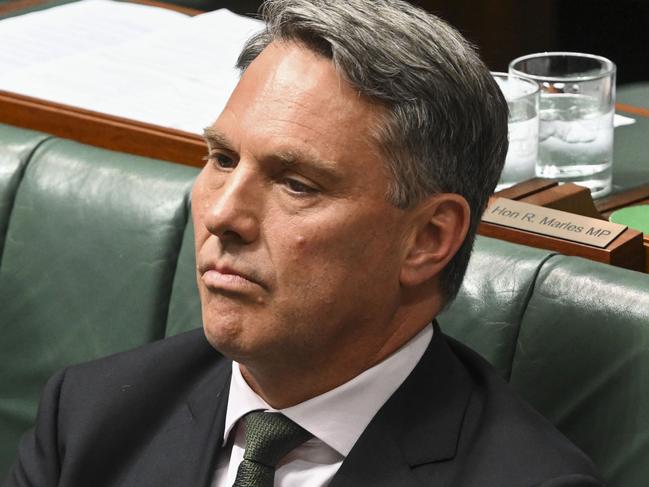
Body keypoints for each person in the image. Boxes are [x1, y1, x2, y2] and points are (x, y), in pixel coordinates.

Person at [5, 0, 603, 486]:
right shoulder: (88, 415)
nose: (222, 213)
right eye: (222, 158)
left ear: (428, 238)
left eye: (296, 183)